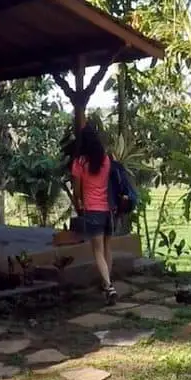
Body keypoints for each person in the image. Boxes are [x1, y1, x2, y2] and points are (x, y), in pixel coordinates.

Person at [70, 124, 118, 304]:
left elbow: (76, 189)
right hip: (108, 210)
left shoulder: (80, 163)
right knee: (107, 248)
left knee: (97, 251)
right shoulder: (105, 160)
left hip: (93, 210)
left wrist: (79, 201)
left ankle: (109, 286)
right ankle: (107, 285)